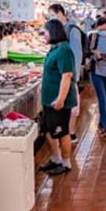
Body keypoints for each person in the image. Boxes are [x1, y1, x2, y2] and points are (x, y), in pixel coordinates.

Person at [40, 18, 77, 176]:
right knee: (48, 130)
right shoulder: (54, 49)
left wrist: (61, 98)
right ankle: (56, 158)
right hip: (49, 99)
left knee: (62, 132)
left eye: (45, 32)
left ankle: (66, 163)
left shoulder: (64, 50)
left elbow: (67, 75)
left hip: (59, 101)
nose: (44, 35)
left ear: (53, 32)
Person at [49, 3, 85, 140]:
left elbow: (77, 54)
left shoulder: (72, 30)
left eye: (52, 14)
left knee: (72, 105)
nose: (51, 18)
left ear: (60, 13)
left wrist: (73, 76)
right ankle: (62, 133)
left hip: (69, 75)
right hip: (59, 75)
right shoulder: (58, 30)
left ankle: (71, 133)